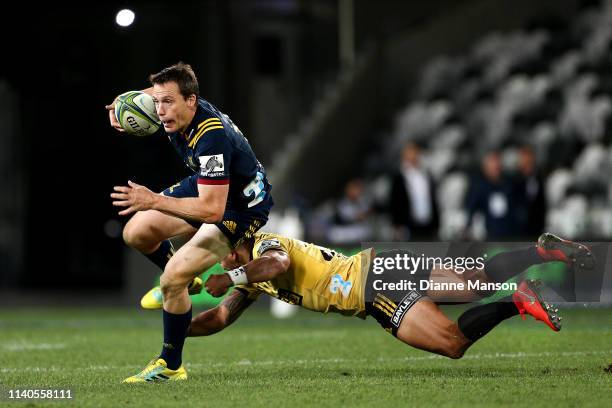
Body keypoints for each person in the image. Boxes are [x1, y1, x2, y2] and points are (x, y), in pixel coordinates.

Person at [183, 231, 592, 364]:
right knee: (475, 282)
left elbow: (274, 265)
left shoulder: (262, 247)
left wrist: (232, 275)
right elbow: (219, 318)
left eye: (226, 253)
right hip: (382, 264)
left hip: (373, 287)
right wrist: (177, 329)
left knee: (451, 343)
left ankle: (517, 300)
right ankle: (541, 252)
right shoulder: (250, 277)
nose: (224, 260)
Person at [107, 62, 273, 383]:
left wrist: (154, 199)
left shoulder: (211, 137)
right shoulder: (176, 107)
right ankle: (188, 281)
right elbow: (160, 93)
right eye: (156, 103)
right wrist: (123, 102)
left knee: (171, 280)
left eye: (167, 102)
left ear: (191, 101)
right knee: (137, 232)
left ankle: (171, 364)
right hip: (209, 184)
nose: (160, 110)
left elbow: (213, 211)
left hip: (241, 207)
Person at [389, 142, 439, 240]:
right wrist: (397, 225)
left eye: (415, 152)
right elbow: (395, 201)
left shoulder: (426, 175)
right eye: (410, 152)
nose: (413, 155)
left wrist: (436, 223)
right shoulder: (399, 177)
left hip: (428, 224)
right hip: (408, 226)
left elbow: (432, 199)